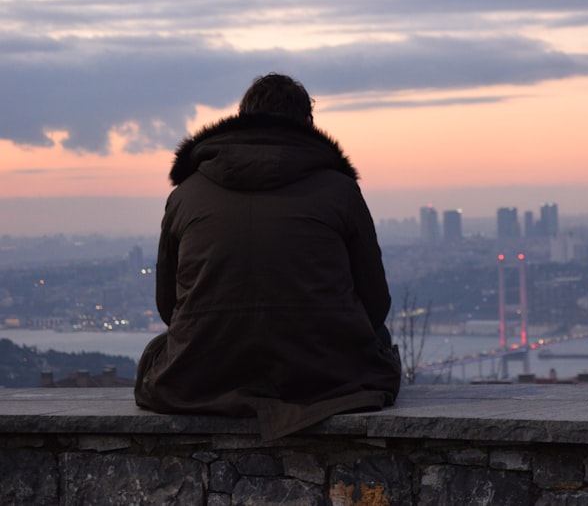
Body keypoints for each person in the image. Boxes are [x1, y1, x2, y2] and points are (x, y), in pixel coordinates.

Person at [134, 73, 401, 440]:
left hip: (204, 374)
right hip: (323, 374)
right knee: (381, 343)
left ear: (242, 119)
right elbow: (375, 305)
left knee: (156, 353)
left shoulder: (187, 194)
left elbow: (169, 307)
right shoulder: (339, 191)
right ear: (308, 125)